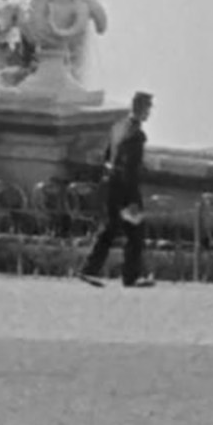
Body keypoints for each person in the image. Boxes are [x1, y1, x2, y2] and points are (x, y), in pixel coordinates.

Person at [78, 92, 154, 288]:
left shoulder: (117, 127)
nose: (150, 112)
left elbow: (107, 157)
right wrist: (133, 200)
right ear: (142, 108)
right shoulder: (137, 135)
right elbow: (130, 169)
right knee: (136, 234)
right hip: (126, 191)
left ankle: (89, 269)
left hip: (111, 187)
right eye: (149, 108)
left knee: (110, 230)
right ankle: (130, 276)